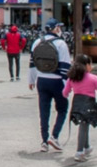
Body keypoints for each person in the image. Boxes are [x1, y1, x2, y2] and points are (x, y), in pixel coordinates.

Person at [29, 17, 71, 152]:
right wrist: (67, 85)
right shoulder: (61, 44)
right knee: (63, 109)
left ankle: (44, 141)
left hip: (41, 80)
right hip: (57, 80)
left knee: (44, 111)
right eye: (59, 27)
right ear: (56, 29)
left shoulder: (37, 42)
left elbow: (32, 64)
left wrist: (31, 80)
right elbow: (65, 66)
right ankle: (54, 136)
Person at [63, 54, 97, 162]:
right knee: (84, 127)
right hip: (88, 104)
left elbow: (65, 93)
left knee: (85, 125)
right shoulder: (93, 78)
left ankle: (87, 147)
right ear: (87, 65)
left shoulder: (72, 78)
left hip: (76, 104)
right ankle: (79, 152)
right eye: (90, 64)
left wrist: (66, 95)